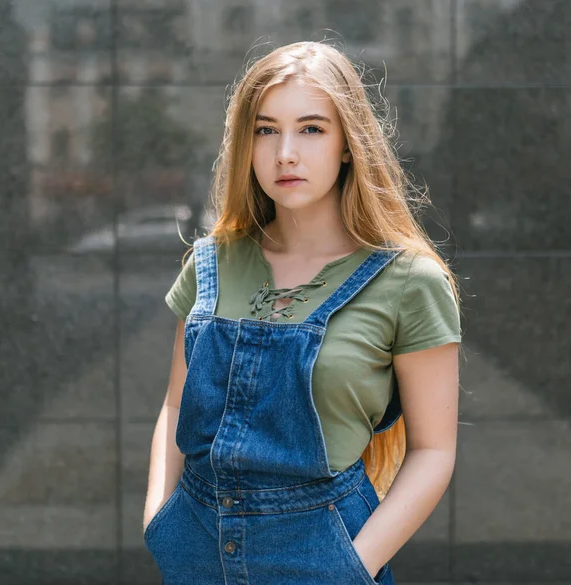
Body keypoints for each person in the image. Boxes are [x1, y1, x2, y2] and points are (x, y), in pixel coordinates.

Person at [142, 40, 462, 585]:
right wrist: (159, 523)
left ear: (346, 144)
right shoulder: (210, 264)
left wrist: (350, 567)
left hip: (323, 559)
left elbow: (433, 450)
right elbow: (176, 404)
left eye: (311, 129)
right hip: (194, 553)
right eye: (265, 130)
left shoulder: (408, 282)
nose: (285, 152)